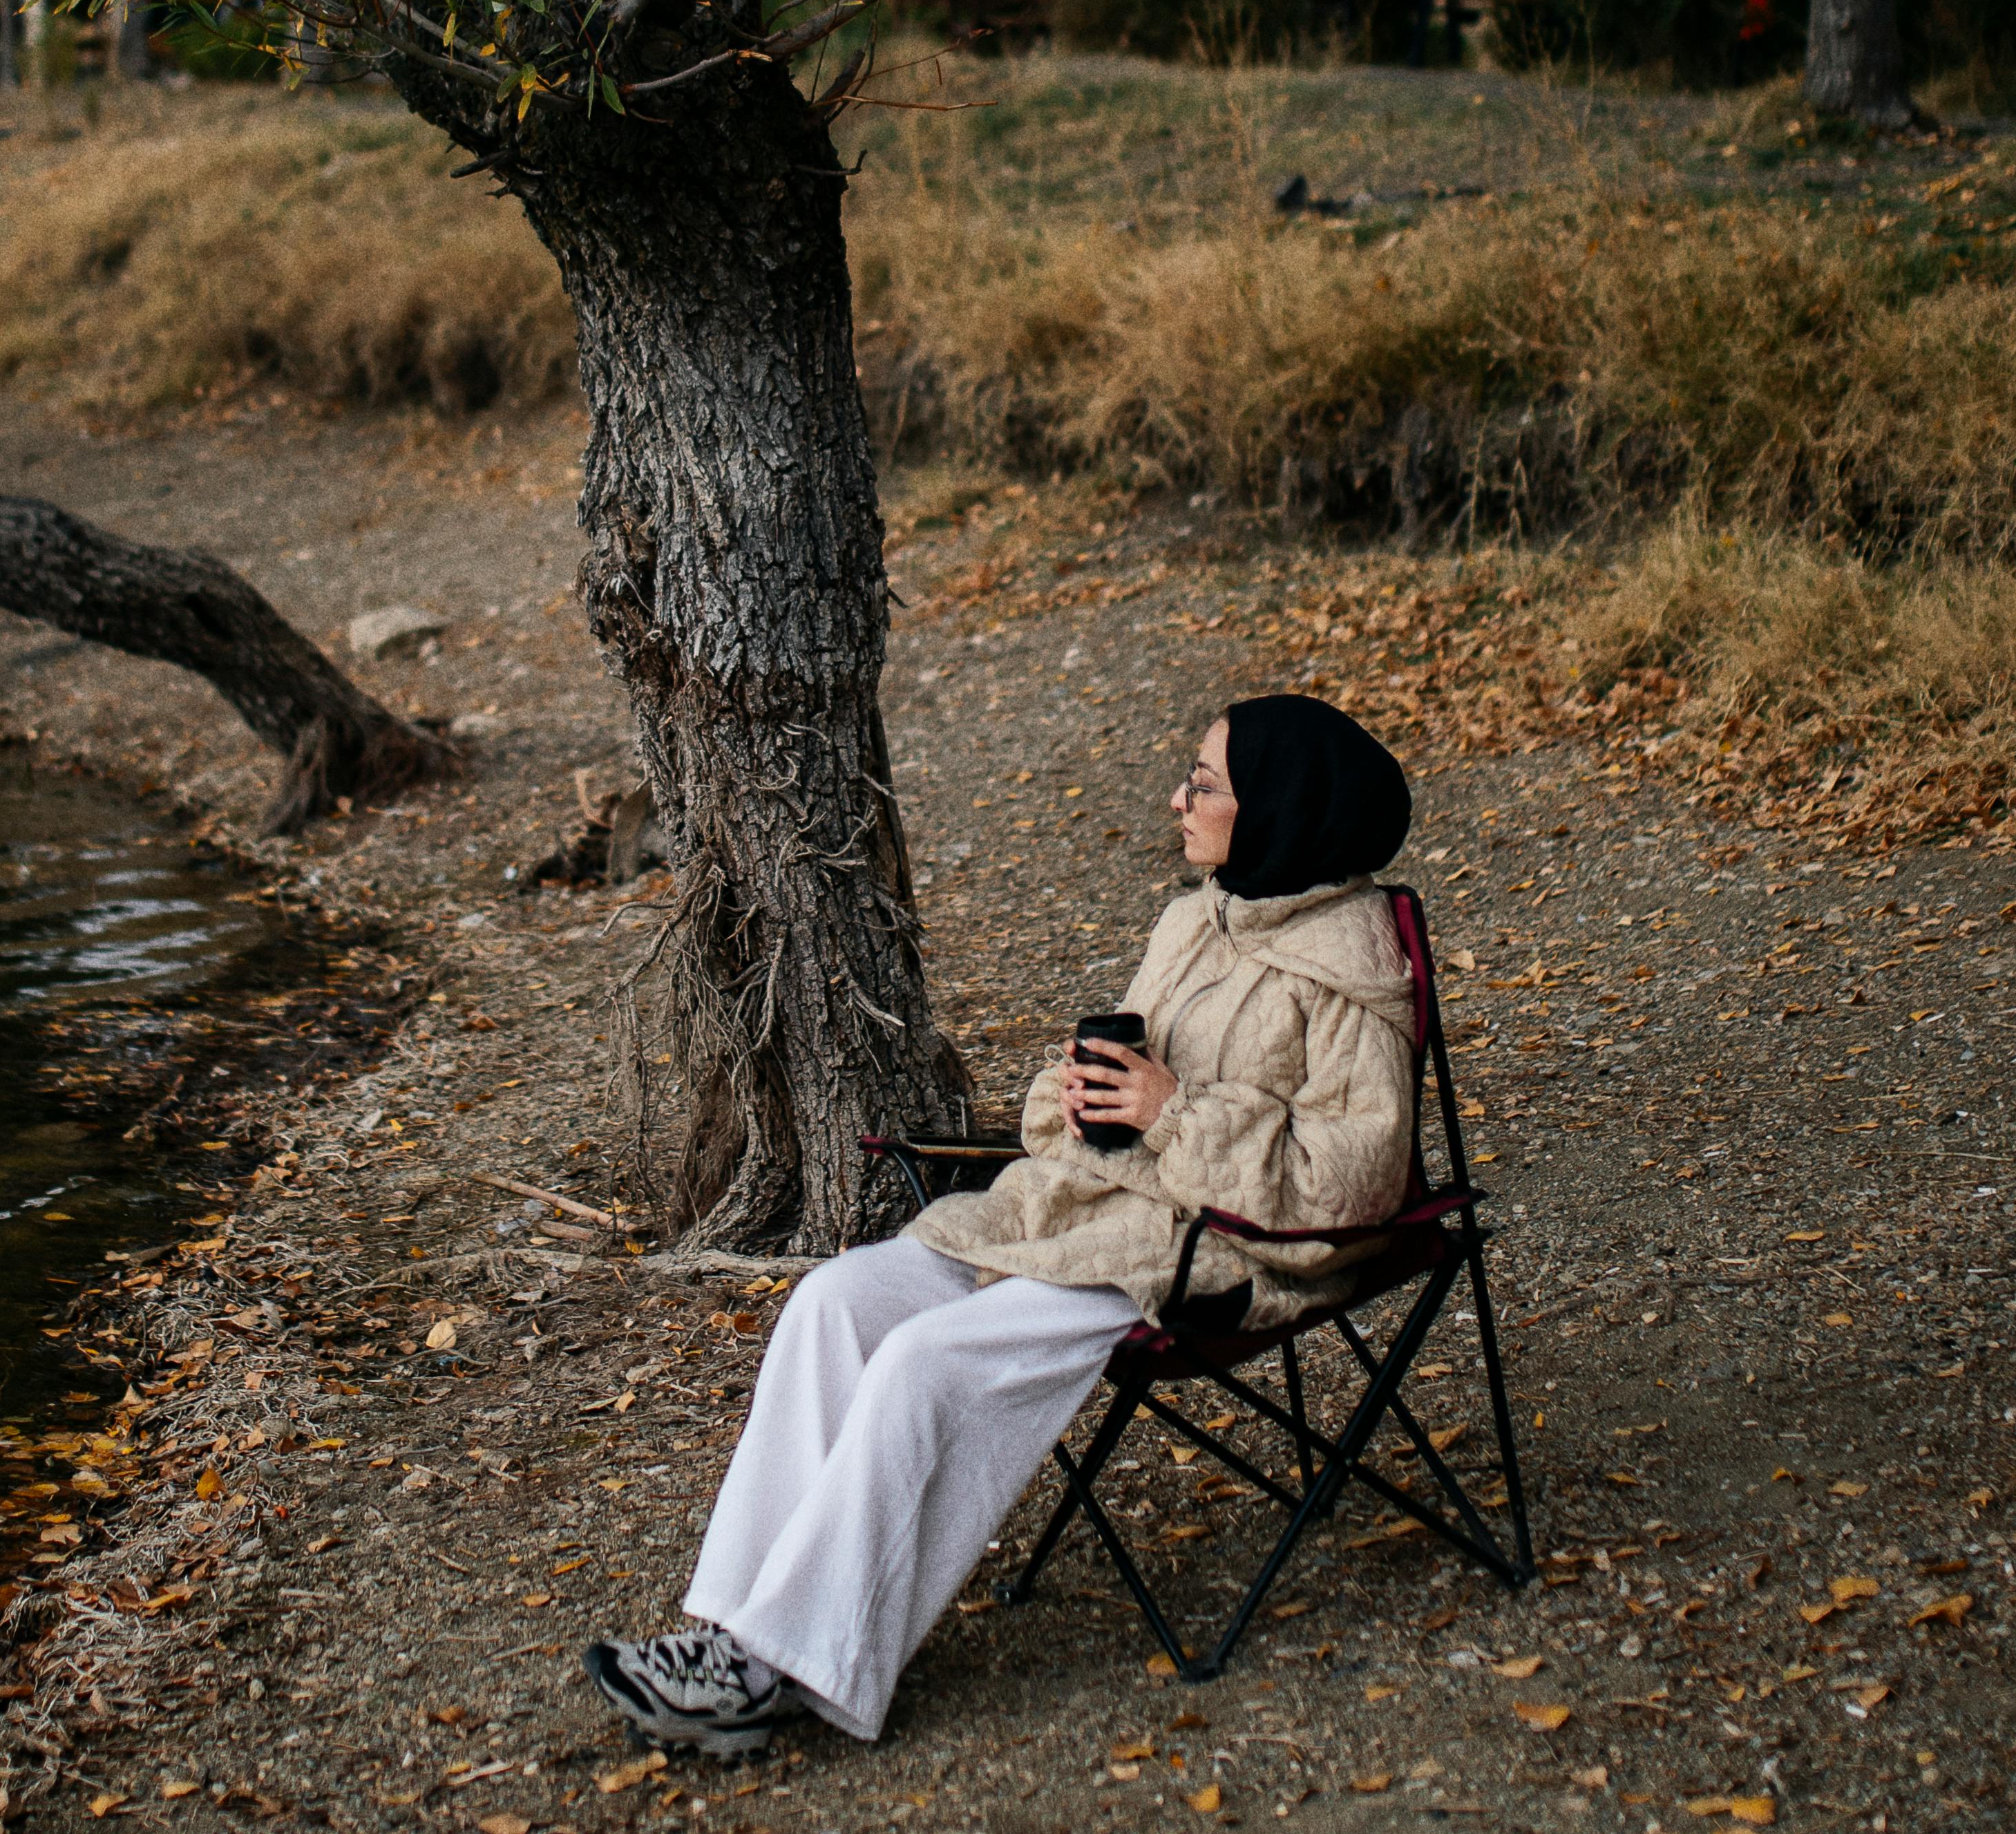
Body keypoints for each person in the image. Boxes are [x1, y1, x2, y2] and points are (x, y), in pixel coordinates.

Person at [584, 692, 1420, 1759]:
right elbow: (1124, 1088)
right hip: (1083, 1207)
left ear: (1281, 809)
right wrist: (1079, 1097)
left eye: (1203, 783)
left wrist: (1175, 1113)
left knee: (923, 1362)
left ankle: (772, 1670)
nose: (1177, 797)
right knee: (832, 1302)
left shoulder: (1349, 969)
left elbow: (1354, 1183)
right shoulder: (1194, 919)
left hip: (1211, 1251)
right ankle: (726, 1629)